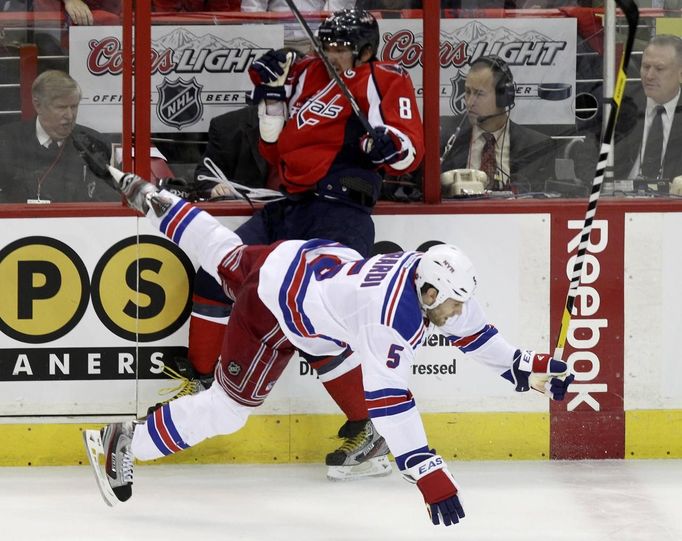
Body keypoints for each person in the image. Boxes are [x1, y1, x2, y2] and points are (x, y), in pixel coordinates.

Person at [82, 167, 575, 528]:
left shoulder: (424, 274)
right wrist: (428, 472)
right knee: (228, 410)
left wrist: (522, 367)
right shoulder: (389, 320)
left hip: (297, 256)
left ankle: (152, 197)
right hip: (275, 309)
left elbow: (470, 327)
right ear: (427, 293)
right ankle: (124, 441)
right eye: (447, 304)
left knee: (222, 251)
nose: (453, 312)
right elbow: (389, 403)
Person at [170, 9, 424, 481]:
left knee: (309, 320)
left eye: (341, 46)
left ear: (366, 48)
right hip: (289, 206)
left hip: (339, 211)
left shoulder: (385, 78)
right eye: (326, 44)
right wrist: (268, 93)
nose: (331, 54)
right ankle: (201, 380)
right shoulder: (304, 73)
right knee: (214, 269)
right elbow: (272, 146)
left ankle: (370, 430)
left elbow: (410, 150)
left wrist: (389, 146)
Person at [440, 55, 555, 194]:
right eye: (468, 92)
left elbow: (543, 201)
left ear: (504, 97)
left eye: (479, 94)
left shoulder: (537, 145)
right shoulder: (443, 135)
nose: (469, 102)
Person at [0, 70, 118, 203]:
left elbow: (109, 202)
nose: (69, 115)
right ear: (38, 105)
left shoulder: (94, 144)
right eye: (61, 107)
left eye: (73, 107)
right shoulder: (5, 141)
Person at [614, 34, 682, 185]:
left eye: (659, 69)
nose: (649, 76)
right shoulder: (622, 103)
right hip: (619, 199)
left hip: (673, 202)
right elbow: (589, 152)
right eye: (645, 67)